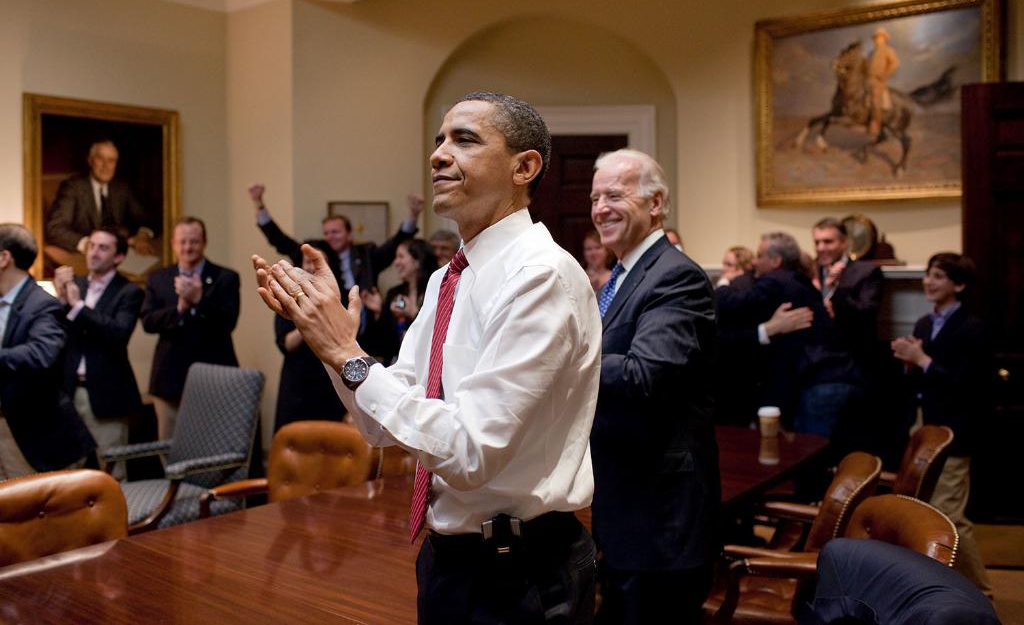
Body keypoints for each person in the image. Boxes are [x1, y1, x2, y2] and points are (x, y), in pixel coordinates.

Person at [253, 91, 601, 624]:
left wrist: (348, 354)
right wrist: (331, 345)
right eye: (439, 139)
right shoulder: (446, 279)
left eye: (464, 140)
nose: (439, 154)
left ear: (524, 167)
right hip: (448, 557)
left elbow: (470, 452)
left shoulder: (541, 276)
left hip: (521, 572)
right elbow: (380, 425)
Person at [588, 148, 720, 624]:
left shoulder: (675, 276)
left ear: (656, 203)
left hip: (659, 516)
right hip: (626, 506)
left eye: (615, 195)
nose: (600, 207)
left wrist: (563, 360)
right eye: (595, 196)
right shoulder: (623, 276)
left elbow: (646, 374)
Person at [891, 252, 992, 595]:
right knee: (920, 511)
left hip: (954, 432)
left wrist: (922, 359)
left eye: (938, 276)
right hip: (922, 426)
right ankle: (931, 587)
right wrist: (909, 363)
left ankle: (981, 591)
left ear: (959, 285)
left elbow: (967, 385)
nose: (928, 282)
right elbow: (920, 382)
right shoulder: (922, 324)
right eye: (928, 274)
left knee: (950, 516)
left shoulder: (973, 328)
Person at [718, 231, 860, 438]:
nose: (755, 262)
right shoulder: (800, 282)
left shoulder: (775, 280)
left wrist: (723, 283)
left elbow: (730, 304)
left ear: (776, 260)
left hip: (819, 382)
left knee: (809, 456)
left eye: (760, 255)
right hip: (839, 375)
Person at [0, 223, 94, 479]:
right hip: (5, 427)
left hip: (33, 434)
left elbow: (41, 354)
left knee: (37, 515)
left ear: (4, 258)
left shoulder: (43, 305)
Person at [53, 227, 144, 479]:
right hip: (70, 391)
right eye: (92, 245)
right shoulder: (76, 285)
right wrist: (61, 304)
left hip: (108, 394)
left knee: (112, 472)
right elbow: (57, 336)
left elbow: (118, 333)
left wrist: (78, 307)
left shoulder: (129, 291)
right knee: (67, 471)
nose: (94, 252)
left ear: (119, 257)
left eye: (103, 248)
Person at [141, 217, 240, 439]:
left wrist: (199, 300)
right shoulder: (158, 278)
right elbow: (148, 322)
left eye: (194, 242)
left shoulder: (225, 278)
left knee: (215, 443)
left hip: (215, 376)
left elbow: (228, 322)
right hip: (169, 379)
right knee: (170, 446)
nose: (188, 247)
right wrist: (179, 308)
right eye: (182, 242)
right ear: (173, 245)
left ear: (204, 242)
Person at [248, 183, 423, 294]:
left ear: (350, 234)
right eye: (327, 233)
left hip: (363, 323)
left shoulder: (366, 253)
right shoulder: (316, 253)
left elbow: (393, 245)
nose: (331, 237)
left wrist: (413, 215)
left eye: (336, 232)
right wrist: (259, 204)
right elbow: (280, 240)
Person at [273, 242, 347, 432]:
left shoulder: (340, 298)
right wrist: (308, 319)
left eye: (319, 263)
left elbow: (346, 338)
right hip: (297, 383)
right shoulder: (287, 299)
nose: (312, 268)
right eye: (308, 262)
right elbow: (285, 344)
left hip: (330, 382)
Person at [45, 140, 156, 257]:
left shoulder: (121, 187)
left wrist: (142, 237)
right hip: (84, 257)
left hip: (119, 253)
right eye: (100, 159)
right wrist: (88, 244)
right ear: (90, 161)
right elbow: (55, 229)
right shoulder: (73, 187)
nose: (106, 166)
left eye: (111, 161)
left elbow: (146, 218)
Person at [812, 217, 883, 372]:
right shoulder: (810, 271)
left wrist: (836, 288)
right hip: (816, 356)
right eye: (817, 242)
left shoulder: (866, 271)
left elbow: (866, 314)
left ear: (844, 242)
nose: (821, 248)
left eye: (828, 241)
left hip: (851, 356)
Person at [360, 238, 438, 364]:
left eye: (401, 256)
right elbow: (380, 345)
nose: (396, 262)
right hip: (398, 364)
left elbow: (438, 332)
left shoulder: (436, 290)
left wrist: (413, 313)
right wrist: (379, 311)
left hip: (428, 363)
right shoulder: (395, 293)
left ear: (418, 261)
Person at [867, 27, 900, 139]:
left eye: (879, 37)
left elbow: (895, 64)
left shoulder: (888, 50)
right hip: (868, 79)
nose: (877, 39)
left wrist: (884, 75)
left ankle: (876, 124)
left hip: (878, 81)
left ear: (884, 39)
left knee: (875, 100)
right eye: (876, 37)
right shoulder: (871, 53)